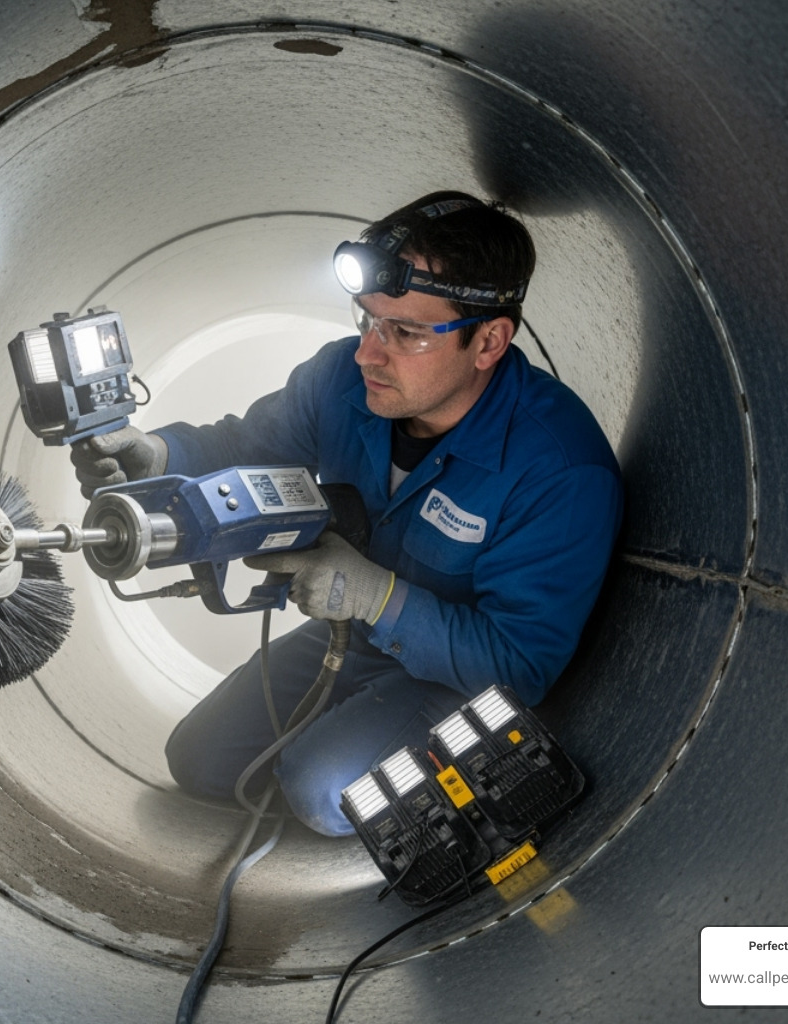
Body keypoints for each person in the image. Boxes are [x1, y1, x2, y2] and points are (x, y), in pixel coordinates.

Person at [71, 192, 622, 836]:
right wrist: (156, 453)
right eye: (366, 320)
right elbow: (244, 447)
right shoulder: (343, 380)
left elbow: (519, 666)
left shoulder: (556, 468)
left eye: (406, 333)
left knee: (323, 790)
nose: (368, 352)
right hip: (354, 638)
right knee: (201, 761)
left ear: (489, 341)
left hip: (459, 683)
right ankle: (338, 744)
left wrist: (376, 596)